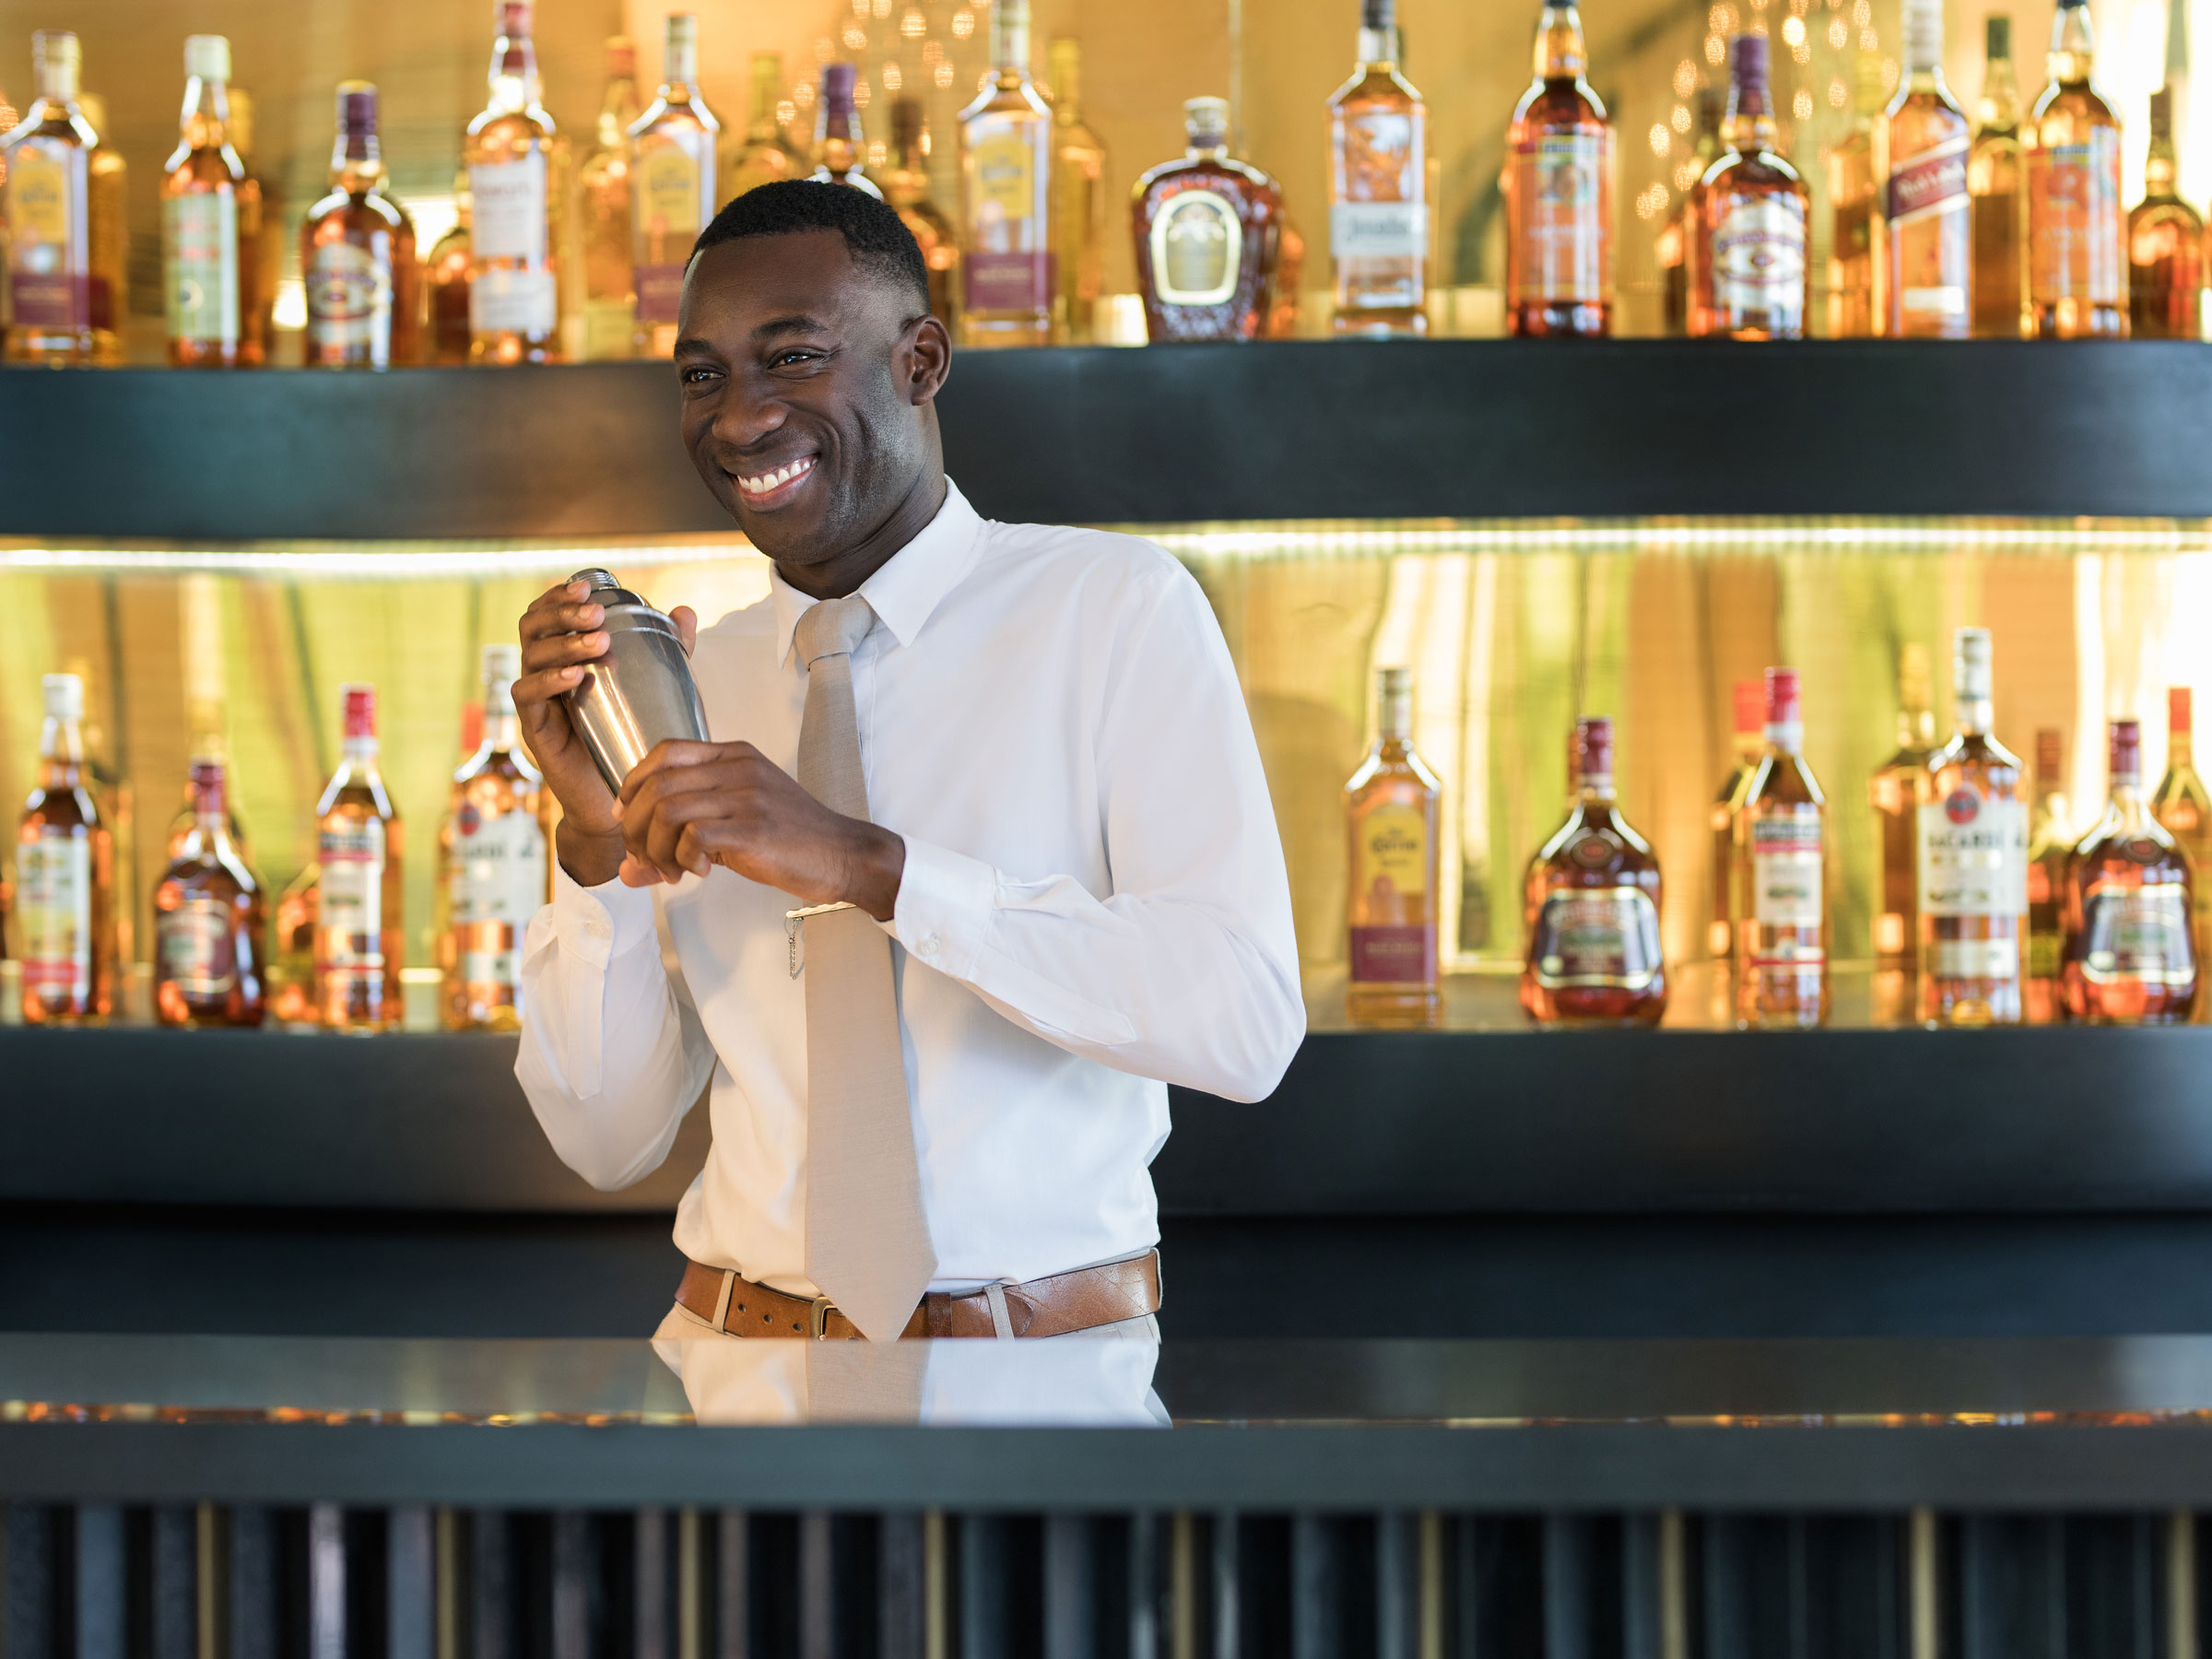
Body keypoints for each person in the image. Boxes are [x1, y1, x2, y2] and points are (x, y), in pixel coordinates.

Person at [512, 181, 1301, 1348]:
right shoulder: (689, 687)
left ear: (921, 359)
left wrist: (864, 864)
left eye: (791, 358)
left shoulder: (1114, 610)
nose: (739, 418)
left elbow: (1240, 1025)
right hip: (732, 1386)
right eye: (703, 374)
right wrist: (589, 858)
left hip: (1047, 1391)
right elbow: (603, 1138)